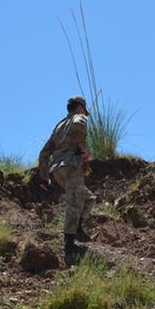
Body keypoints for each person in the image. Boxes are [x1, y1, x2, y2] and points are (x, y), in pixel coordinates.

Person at [38, 95, 96, 265]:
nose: (84, 114)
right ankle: (69, 246)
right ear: (79, 107)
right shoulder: (79, 117)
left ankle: (77, 228)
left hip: (57, 170)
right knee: (74, 203)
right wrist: (84, 150)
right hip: (72, 166)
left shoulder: (58, 126)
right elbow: (79, 124)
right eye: (83, 111)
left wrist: (45, 177)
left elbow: (44, 153)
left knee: (88, 198)